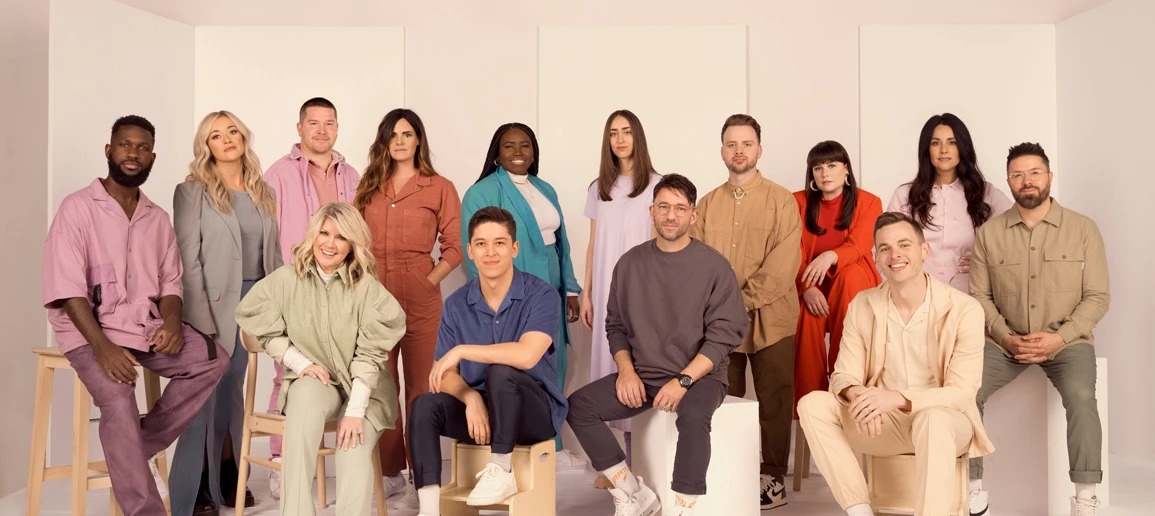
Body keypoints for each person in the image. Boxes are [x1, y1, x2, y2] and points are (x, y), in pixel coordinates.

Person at [42, 115, 229, 516]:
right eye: (125, 145)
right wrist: (103, 348)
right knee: (118, 396)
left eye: (143, 148)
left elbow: (171, 284)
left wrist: (173, 322)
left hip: (144, 326)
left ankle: (131, 447)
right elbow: (68, 289)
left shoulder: (157, 218)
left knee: (214, 359)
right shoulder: (77, 209)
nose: (133, 154)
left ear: (152, 158)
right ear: (109, 151)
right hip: (89, 333)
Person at [568, 174, 748, 516]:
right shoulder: (629, 263)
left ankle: (683, 507)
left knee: (693, 417)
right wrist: (626, 371)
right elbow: (616, 325)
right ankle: (632, 492)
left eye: (680, 208)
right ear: (651, 212)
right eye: (663, 207)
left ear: (693, 215)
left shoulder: (714, 266)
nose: (670, 215)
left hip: (700, 378)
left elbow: (724, 336)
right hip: (644, 375)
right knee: (579, 407)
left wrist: (683, 381)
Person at [796, 211, 994, 516]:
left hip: (945, 426)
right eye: (885, 248)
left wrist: (896, 399)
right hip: (880, 424)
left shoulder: (964, 309)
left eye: (904, 245)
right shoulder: (863, 304)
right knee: (812, 404)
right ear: (876, 257)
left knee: (934, 419)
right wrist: (861, 398)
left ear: (924, 250)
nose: (894, 255)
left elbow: (961, 394)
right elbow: (844, 375)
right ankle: (859, 510)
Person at [235, 202, 406, 516]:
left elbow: (369, 356)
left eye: (341, 237)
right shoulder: (286, 280)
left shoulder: (366, 288)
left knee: (351, 446)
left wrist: (355, 411)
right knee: (303, 400)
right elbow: (257, 325)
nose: (330, 243)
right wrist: (301, 363)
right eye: (324, 233)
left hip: (364, 390)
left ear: (352, 245)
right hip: (319, 381)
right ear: (312, 234)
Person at [967, 143, 1110, 516]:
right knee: (964, 389)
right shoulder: (989, 234)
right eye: (1017, 174)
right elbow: (979, 296)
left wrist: (1060, 337)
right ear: (1008, 181)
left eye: (1034, 172)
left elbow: (1097, 296)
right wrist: (1005, 336)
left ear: (1049, 176)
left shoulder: (1083, 229)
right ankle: (971, 490)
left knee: (1082, 396)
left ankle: (1085, 498)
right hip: (1004, 342)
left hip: (1068, 342)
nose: (1026, 180)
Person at [408, 207, 567, 516]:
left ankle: (501, 468)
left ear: (514, 248)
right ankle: (428, 508)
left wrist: (462, 351)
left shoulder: (541, 295)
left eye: (499, 243)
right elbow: (442, 374)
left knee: (501, 371)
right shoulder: (456, 303)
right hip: (482, 418)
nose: (490, 252)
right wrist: (470, 398)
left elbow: (526, 355)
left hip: (533, 416)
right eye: (481, 244)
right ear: (470, 251)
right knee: (423, 405)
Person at [171, 111, 283, 515]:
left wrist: (280, 305)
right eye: (216, 135)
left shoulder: (263, 190)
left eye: (232, 131)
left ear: (243, 137)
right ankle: (198, 483)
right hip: (211, 305)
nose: (227, 139)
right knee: (206, 392)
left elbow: (273, 255)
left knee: (233, 389)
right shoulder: (192, 191)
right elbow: (187, 258)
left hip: (254, 303)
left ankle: (228, 473)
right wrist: (200, 321)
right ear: (207, 146)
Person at [691, 114, 801, 509]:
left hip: (772, 319)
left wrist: (738, 303)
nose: (739, 151)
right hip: (721, 326)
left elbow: (783, 265)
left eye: (747, 143)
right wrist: (719, 310)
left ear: (759, 149)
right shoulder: (706, 204)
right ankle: (728, 472)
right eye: (731, 144)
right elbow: (695, 261)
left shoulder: (782, 200)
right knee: (723, 399)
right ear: (722, 151)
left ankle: (773, 477)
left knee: (775, 401)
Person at [460, 122, 584, 466]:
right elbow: (475, 253)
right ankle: (517, 450)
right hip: (513, 289)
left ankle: (552, 447)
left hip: (551, 285)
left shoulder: (544, 188)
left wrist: (570, 289)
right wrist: (490, 300)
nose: (518, 152)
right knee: (520, 364)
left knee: (554, 361)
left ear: (534, 152)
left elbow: (561, 243)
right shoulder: (481, 192)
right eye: (509, 146)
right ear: (496, 154)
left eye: (525, 145)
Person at [355, 108, 463, 504]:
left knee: (422, 388)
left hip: (421, 296)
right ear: (384, 141)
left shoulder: (440, 187)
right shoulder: (369, 185)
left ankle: (424, 475)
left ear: (418, 140)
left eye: (407, 134)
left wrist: (428, 280)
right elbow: (352, 240)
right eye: (393, 135)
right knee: (381, 386)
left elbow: (455, 246)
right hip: (375, 296)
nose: (399, 141)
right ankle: (390, 472)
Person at [262, 97, 362, 494]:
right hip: (297, 283)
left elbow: (360, 230)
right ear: (299, 128)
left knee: (340, 365)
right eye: (314, 123)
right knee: (288, 370)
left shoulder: (351, 175)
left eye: (329, 123)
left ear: (337, 128)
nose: (322, 130)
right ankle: (281, 461)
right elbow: (268, 234)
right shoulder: (277, 174)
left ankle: (344, 460)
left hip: (343, 285)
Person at [578, 109, 661, 472]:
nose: (620, 139)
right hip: (605, 290)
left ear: (637, 136)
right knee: (607, 367)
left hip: (641, 290)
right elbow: (593, 244)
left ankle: (639, 459)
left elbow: (660, 245)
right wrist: (586, 293)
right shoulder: (598, 188)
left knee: (638, 366)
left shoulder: (657, 185)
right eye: (613, 133)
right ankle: (618, 464)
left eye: (626, 131)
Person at [793, 141, 882, 409]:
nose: (825, 173)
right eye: (818, 168)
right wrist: (806, 287)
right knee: (806, 315)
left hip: (853, 283)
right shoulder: (796, 202)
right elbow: (789, 250)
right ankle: (811, 405)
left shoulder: (869, 202)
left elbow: (860, 245)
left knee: (849, 275)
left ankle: (846, 385)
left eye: (832, 166)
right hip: (812, 283)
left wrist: (830, 256)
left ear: (846, 170)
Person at [886, 113, 1013, 293]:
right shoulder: (905, 195)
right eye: (935, 143)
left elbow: (1016, 229)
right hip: (917, 290)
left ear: (962, 147)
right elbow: (886, 243)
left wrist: (988, 259)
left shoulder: (984, 192)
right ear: (926, 149)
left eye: (952, 142)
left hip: (969, 290)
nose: (944, 150)